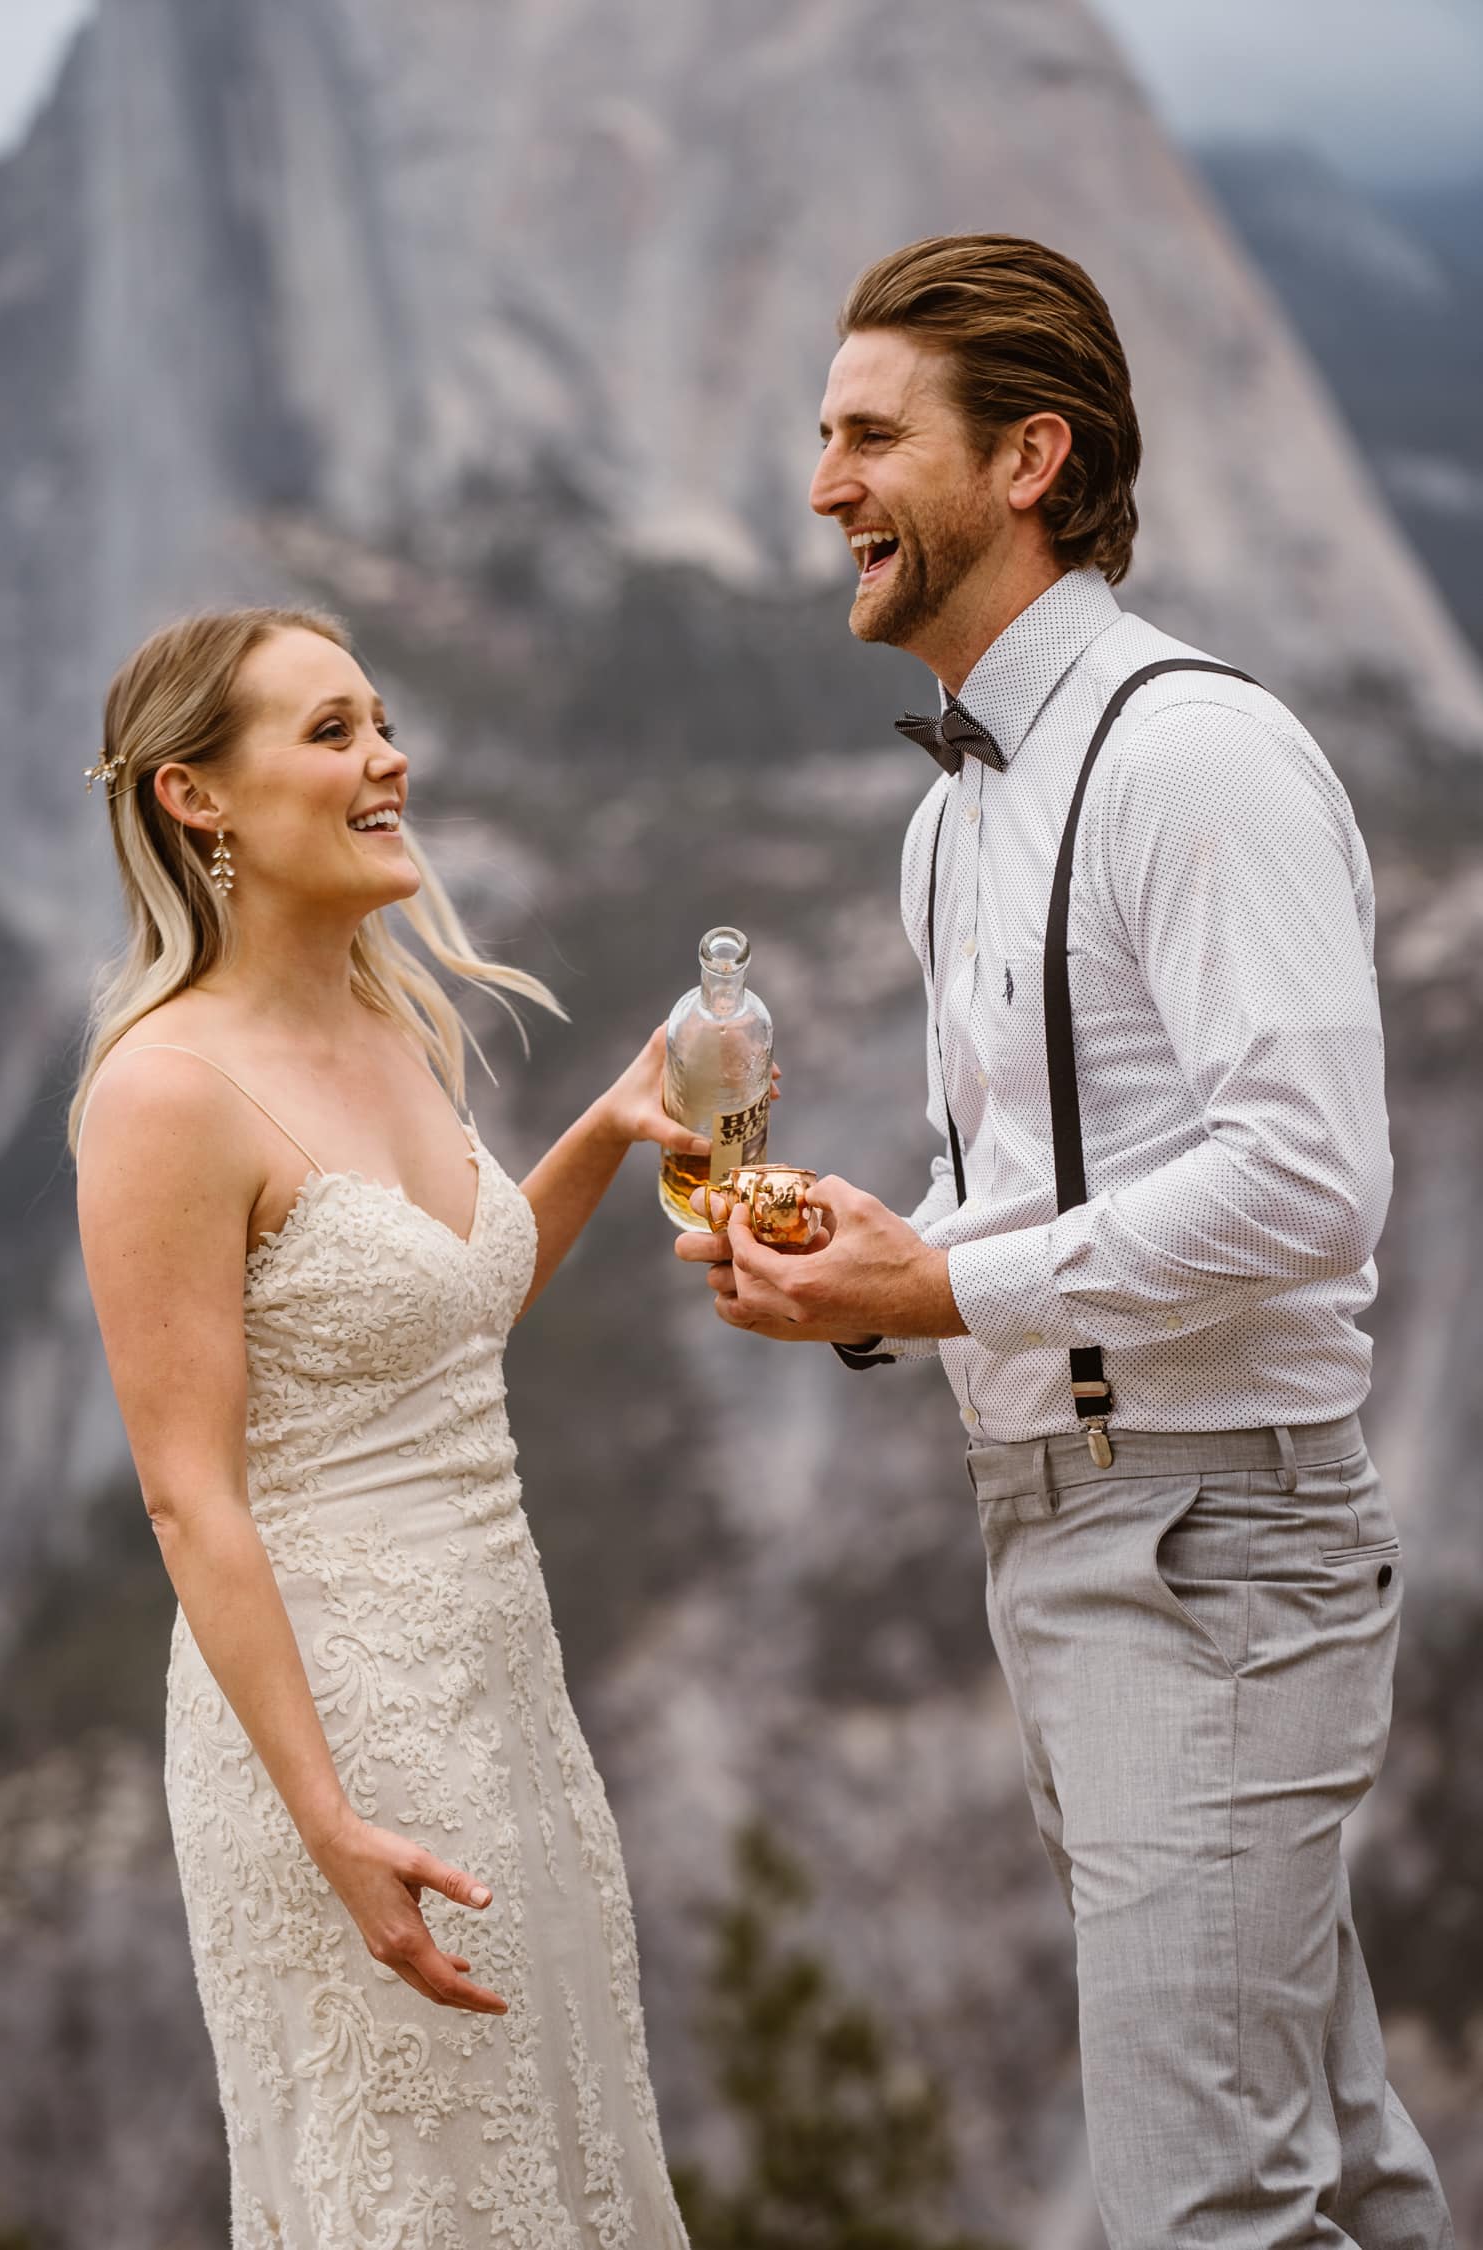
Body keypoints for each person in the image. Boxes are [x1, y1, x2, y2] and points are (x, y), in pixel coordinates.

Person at [676, 234, 1455, 2248]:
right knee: (1335, 2178)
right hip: (1060, 1531)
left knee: (1207, 2207)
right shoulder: (950, 823)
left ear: (1027, 461)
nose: (823, 481)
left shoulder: (1195, 755)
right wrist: (876, 1264)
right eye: (821, 433)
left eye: (867, 436)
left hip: (1214, 1545)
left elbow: (1309, 1177)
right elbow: (1034, 1199)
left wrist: (945, 1282)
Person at [73, 607, 695, 2248]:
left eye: (385, 721)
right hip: (329, 1722)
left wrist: (613, 1125)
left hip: (509, 1695)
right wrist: (331, 1824)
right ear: (196, 797)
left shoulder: (384, 1021)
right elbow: (186, 1495)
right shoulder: (164, 1091)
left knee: (560, 2164)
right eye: (333, 731)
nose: (389, 759)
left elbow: (445, 1317)